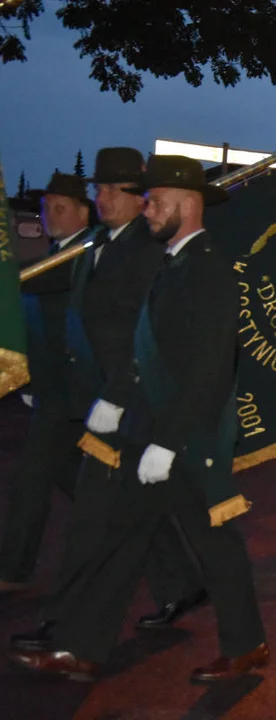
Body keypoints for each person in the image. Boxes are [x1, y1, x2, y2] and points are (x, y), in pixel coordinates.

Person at [11, 156, 268, 681]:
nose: (146, 209)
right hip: (146, 428)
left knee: (215, 543)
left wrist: (169, 443)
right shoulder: (173, 261)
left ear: (187, 203)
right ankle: (82, 648)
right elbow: (144, 347)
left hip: (185, 436)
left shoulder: (210, 267)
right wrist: (118, 400)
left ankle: (246, 646)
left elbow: (208, 365)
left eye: (154, 200)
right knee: (118, 540)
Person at [0, 173, 95, 593]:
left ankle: (12, 571)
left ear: (82, 212)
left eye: (60, 208)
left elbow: (39, 279)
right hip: (53, 389)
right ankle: (165, 559)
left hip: (73, 390)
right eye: (46, 207)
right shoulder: (50, 253)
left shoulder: (86, 253)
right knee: (79, 482)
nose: (49, 215)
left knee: (30, 480)